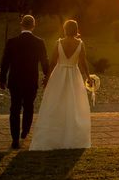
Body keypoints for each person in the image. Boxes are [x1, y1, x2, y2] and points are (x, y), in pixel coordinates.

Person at [29, 19, 92, 150]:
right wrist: (88, 77)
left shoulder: (59, 43)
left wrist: (47, 78)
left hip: (59, 75)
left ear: (65, 29)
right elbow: (83, 62)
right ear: (76, 29)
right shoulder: (80, 43)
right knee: (73, 106)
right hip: (74, 75)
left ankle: (53, 137)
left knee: (55, 104)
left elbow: (52, 62)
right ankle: (71, 137)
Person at [0, 14, 49, 149]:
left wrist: (2, 79)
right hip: (31, 80)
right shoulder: (39, 42)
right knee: (29, 106)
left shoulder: (12, 42)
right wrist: (47, 75)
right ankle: (25, 131)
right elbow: (44, 61)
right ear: (33, 26)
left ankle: (14, 139)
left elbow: (5, 62)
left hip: (15, 79)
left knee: (14, 108)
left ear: (21, 25)